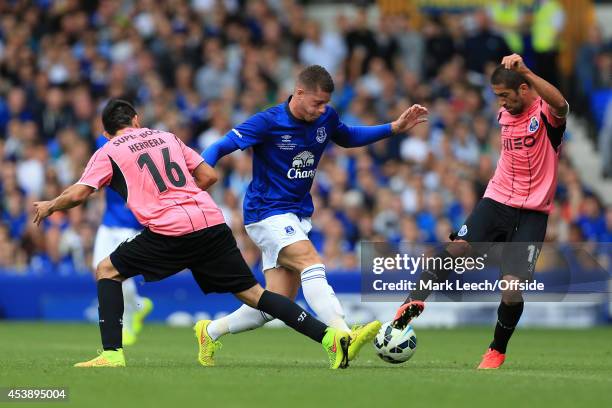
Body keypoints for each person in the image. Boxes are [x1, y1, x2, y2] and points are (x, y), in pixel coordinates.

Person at [32, 99, 356, 369]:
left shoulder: (109, 150)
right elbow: (208, 175)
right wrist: (183, 194)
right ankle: (330, 338)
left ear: (106, 131)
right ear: (136, 119)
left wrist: (50, 205)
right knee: (256, 296)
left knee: (107, 270)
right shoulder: (167, 137)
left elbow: (79, 194)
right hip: (211, 222)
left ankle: (112, 354)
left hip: (169, 230)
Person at [201, 65, 428, 365]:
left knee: (275, 303)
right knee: (311, 261)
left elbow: (346, 136)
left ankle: (209, 332)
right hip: (265, 212)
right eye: (317, 103)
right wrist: (200, 174)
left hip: (295, 214)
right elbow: (219, 146)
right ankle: (342, 335)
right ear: (298, 93)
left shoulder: (326, 117)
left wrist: (392, 128)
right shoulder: (269, 122)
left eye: (326, 104)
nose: (322, 110)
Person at [392, 54, 569, 369]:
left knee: (512, 289)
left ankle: (496, 350)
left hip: (532, 212)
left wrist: (525, 69)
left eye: (505, 96)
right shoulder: (504, 115)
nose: (501, 102)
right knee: (456, 247)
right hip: (497, 199)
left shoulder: (543, 114)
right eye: (498, 96)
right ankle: (411, 304)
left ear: (526, 89)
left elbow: (562, 106)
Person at [91, 134, 152, 346]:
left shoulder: (141, 143)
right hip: (108, 220)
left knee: (117, 272)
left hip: (131, 220)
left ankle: (126, 322)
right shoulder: (103, 143)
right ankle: (138, 305)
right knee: (99, 270)